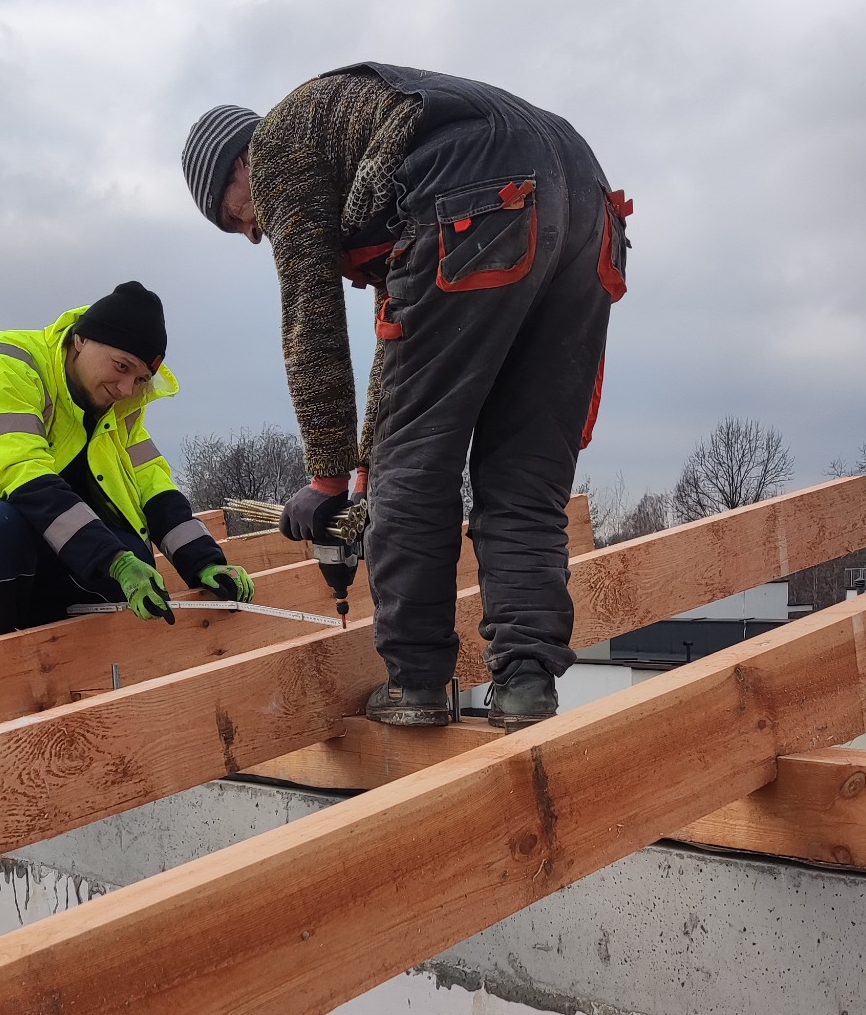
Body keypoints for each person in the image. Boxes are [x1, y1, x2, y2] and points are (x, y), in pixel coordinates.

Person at [182, 65, 629, 729]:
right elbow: (401, 332)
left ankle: (417, 685)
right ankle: (526, 687)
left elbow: (311, 319)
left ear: (240, 168)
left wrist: (328, 478)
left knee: (416, 464)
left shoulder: (278, 143)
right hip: (585, 206)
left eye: (234, 217)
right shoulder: (369, 151)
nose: (253, 233)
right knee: (524, 472)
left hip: (482, 195)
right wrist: (364, 473)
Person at [0, 281, 253, 652]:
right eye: (121, 366)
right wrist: (113, 561)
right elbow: (25, 476)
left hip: (10, 526)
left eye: (141, 377)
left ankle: (58, 664)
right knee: (3, 528)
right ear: (80, 339)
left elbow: (153, 487)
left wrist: (205, 562)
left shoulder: (118, 407)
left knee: (130, 548)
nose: (127, 388)